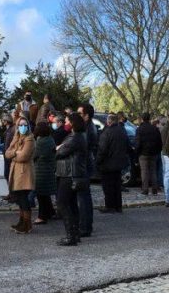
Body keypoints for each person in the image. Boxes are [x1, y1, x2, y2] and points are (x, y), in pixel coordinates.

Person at [55, 113, 88, 246]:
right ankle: (74, 233)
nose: (65, 123)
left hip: (69, 174)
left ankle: (70, 235)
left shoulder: (74, 138)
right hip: (71, 173)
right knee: (72, 204)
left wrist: (58, 148)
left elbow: (59, 152)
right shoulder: (77, 136)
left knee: (62, 203)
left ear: (73, 123)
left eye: (67, 121)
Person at [5, 115, 36, 234]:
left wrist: (15, 154)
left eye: (25, 125)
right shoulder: (16, 137)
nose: (23, 127)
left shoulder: (30, 139)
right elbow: (7, 153)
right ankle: (22, 221)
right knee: (19, 197)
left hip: (24, 172)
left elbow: (24, 156)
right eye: (20, 125)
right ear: (17, 126)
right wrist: (15, 152)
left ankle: (27, 224)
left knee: (23, 198)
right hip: (16, 171)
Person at [96, 113, 130, 213]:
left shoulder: (107, 133)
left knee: (108, 186)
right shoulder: (122, 131)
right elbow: (128, 146)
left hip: (108, 164)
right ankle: (118, 206)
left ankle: (109, 206)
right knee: (117, 185)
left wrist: (97, 161)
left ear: (109, 121)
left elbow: (102, 150)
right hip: (119, 163)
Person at [77, 103, 97, 237]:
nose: (77, 116)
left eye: (79, 113)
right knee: (85, 196)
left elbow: (83, 148)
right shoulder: (89, 127)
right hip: (87, 163)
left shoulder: (87, 129)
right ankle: (85, 225)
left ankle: (85, 227)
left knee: (83, 197)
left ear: (86, 115)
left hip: (84, 165)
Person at [33, 122, 57, 224]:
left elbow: (34, 155)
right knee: (45, 194)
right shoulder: (50, 139)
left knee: (41, 194)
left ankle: (42, 216)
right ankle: (50, 211)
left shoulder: (41, 142)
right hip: (48, 169)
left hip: (41, 170)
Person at [135, 112, 163, 195]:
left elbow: (138, 143)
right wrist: (157, 151)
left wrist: (137, 153)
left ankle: (145, 189)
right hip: (153, 153)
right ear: (149, 118)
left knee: (144, 172)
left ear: (142, 119)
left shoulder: (139, 129)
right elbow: (159, 142)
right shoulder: (154, 128)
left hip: (143, 153)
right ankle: (154, 189)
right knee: (153, 171)